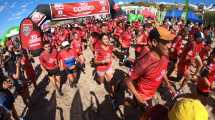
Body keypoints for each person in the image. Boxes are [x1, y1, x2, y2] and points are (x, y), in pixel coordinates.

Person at [125, 26, 176, 106]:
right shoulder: (144, 63)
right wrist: (138, 97)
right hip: (142, 95)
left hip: (152, 92)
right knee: (135, 106)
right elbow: (127, 80)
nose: (170, 46)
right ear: (154, 42)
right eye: (166, 42)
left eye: (170, 42)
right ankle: (121, 100)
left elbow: (162, 71)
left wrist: (168, 84)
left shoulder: (165, 56)